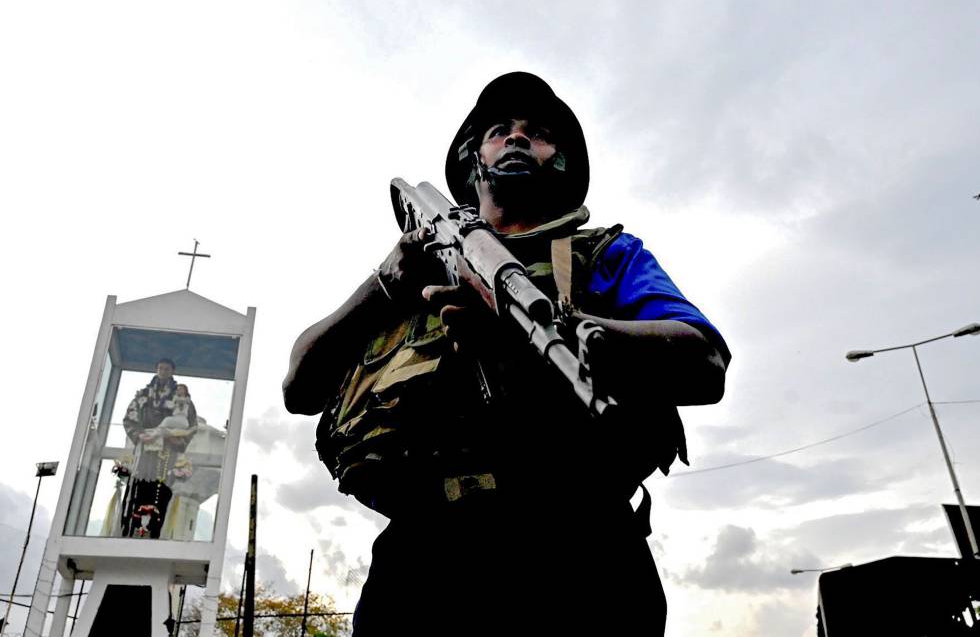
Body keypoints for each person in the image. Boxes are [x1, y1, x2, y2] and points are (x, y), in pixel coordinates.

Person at [283, 72, 731, 636]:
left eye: (538, 133)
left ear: (561, 161)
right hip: (424, 561)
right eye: (500, 130)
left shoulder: (604, 255)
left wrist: (556, 337)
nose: (517, 139)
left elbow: (705, 363)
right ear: (474, 160)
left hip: (581, 552)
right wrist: (385, 283)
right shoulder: (417, 268)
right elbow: (299, 386)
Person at [122, 359, 198, 538]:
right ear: (156, 369)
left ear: (173, 371)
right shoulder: (144, 394)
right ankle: (131, 529)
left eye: (167, 368)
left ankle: (156, 532)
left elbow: (191, 425)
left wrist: (177, 440)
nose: (163, 371)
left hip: (167, 451)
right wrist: (139, 435)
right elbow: (129, 419)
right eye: (160, 368)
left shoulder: (181, 396)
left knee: (162, 490)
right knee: (138, 489)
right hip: (145, 449)